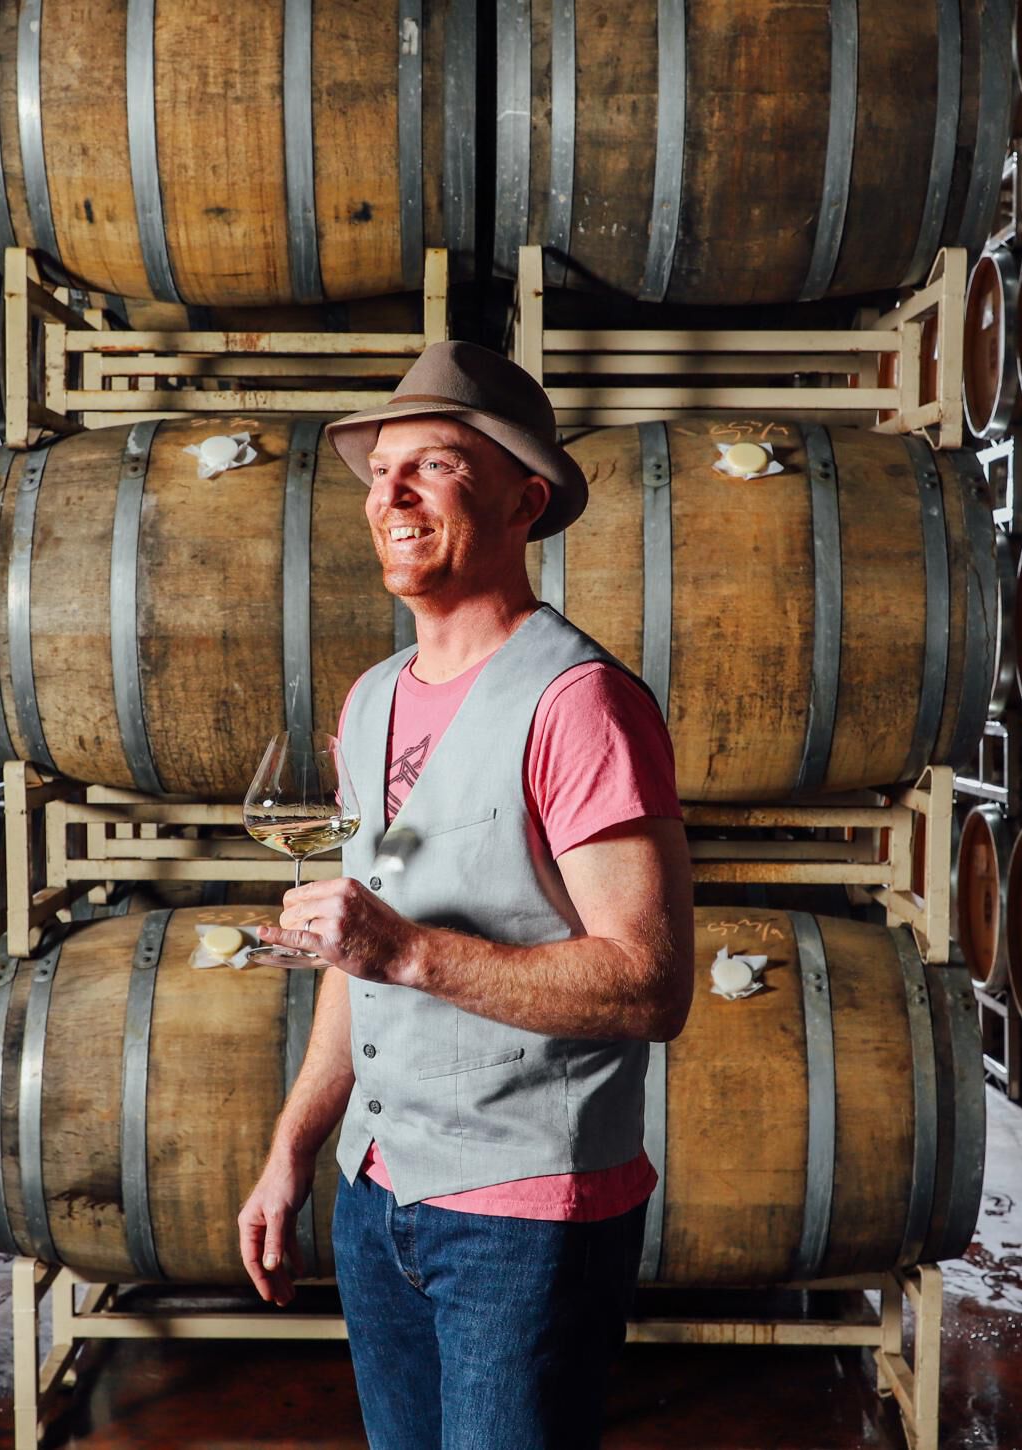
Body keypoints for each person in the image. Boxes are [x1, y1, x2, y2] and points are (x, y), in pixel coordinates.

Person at [234, 340, 697, 1449]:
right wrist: (294, 1149)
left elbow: (650, 985)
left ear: (524, 502)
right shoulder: (374, 696)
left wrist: (410, 953)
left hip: (524, 1217)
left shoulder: (581, 705)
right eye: (379, 471)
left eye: (431, 467)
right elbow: (358, 950)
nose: (388, 495)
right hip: (378, 1193)